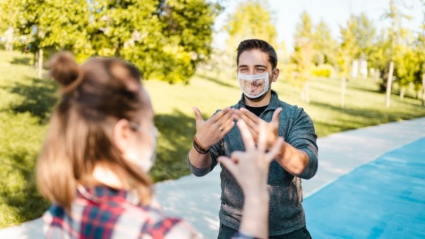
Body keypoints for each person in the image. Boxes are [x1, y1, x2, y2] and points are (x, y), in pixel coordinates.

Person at [36, 52, 284, 239]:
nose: (154, 132)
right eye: (149, 121)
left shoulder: (60, 211)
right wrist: (256, 196)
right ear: (124, 134)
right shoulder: (159, 231)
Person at [188, 39, 318, 239]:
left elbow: (309, 167)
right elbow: (198, 169)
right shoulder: (224, 118)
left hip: (289, 230)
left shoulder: (295, 116)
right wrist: (200, 144)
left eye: (259, 69)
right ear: (237, 73)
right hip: (235, 228)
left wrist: (276, 146)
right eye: (244, 69)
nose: (251, 77)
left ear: (274, 74)